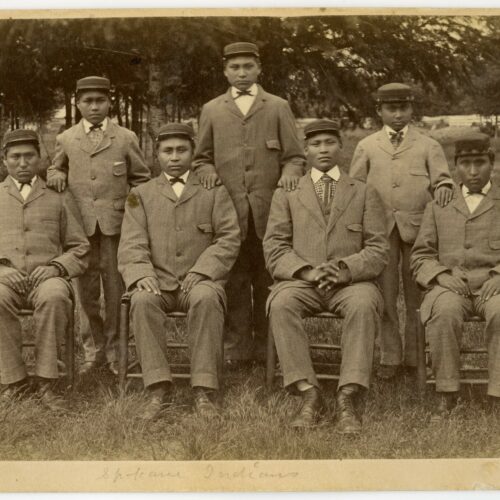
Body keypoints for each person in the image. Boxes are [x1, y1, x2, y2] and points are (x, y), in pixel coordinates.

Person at [263, 119, 388, 434]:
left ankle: (348, 395)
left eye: (329, 142)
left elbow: (378, 248)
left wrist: (344, 269)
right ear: (305, 150)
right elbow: (274, 245)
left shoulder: (363, 191)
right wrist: (307, 270)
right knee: (281, 304)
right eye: (316, 144)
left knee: (363, 305)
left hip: (350, 284)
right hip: (301, 281)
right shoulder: (288, 192)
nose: (323, 149)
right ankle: (308, 392)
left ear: (340, 147)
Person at [118, 123, 240, 420]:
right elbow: (131, 241)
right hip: (156, 280)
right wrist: (141, 274)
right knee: (142, 301)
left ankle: (203, 388)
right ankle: (158, 387)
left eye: (181, 150)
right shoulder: (140, 193)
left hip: (197, 280)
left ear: (193, 153)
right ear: (156, 155)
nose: (174, 157)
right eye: (167, 151)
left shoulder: (213, 190)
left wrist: (204, 270)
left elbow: (228, 237)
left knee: (207, 299)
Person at [193, 42, 305, 364]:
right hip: (228, 214)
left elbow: (295, 156)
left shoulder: (277, 106)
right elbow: (201, 158)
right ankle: (238, 349)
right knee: (235, 281)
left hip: (270, 211)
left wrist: (291, 173)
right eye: (235, 67)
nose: (241, 73)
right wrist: (209, 171)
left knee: (269, 279)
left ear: (259, 68)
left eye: (247, 67)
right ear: (225, 70)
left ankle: (270, 348)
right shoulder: (212, 109)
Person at [46, 76, 151, 376]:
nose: (94, 107)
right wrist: (55, 174)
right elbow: (56, 166)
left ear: (110, 102)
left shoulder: (126, 137)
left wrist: (129, 211)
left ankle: (118, 351)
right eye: (88, 101)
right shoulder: (67, 138)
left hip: (116, 230)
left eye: (100, 101)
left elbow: (141, 180)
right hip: (80, 231)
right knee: (86, 293)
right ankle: (93, 351)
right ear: (78, 103)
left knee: (116, 290)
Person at [349, 82, 454, 380]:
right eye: (391, 109)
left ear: (411, 109)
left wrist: (444, 187)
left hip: (418, 230)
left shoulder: (428, 145)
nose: (398, 115)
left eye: (403, 108)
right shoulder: (367, 146)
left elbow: (442, 179)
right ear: (378, 111)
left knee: (416, 295)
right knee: (384, 291)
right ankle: (390, 355)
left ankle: (414, 355)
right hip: (378, 232)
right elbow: (355, 188)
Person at [411, 133, 500, 419]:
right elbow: (420, 256)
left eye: (480, 163)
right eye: (465, 164)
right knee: (445, 312)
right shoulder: (438, 206)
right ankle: (447, 392)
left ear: (492, 163)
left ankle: (498, 393)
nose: (473, 172)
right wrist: (439, 276)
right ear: (455, 167)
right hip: (452, 285)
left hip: (493, 285)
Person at [0, 129, 89, 410]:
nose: (23, 163)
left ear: (40, 159)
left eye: (29, 156)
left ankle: (46, 381)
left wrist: (56, 267)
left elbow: (80, 247)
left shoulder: (58, 196)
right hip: (5, 278)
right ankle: (14, 381)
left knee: (54, 297)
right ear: (4, 160)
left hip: (48, 278)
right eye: (16, 157)